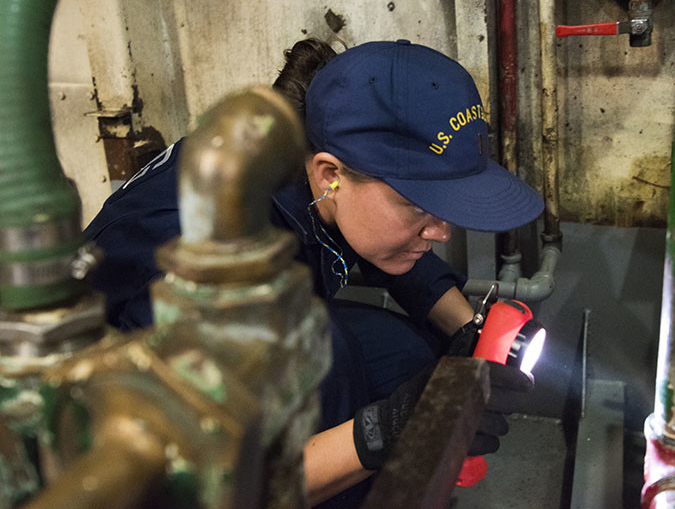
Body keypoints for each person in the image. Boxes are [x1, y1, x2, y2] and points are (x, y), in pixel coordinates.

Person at [84, 38, 545, 507]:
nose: (441, 231)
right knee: (334, 368)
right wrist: (385, 430)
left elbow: (394, 252)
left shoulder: (314, 156)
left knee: (412, 356)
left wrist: (470, 332)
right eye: (418, 206)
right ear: (330, 175)